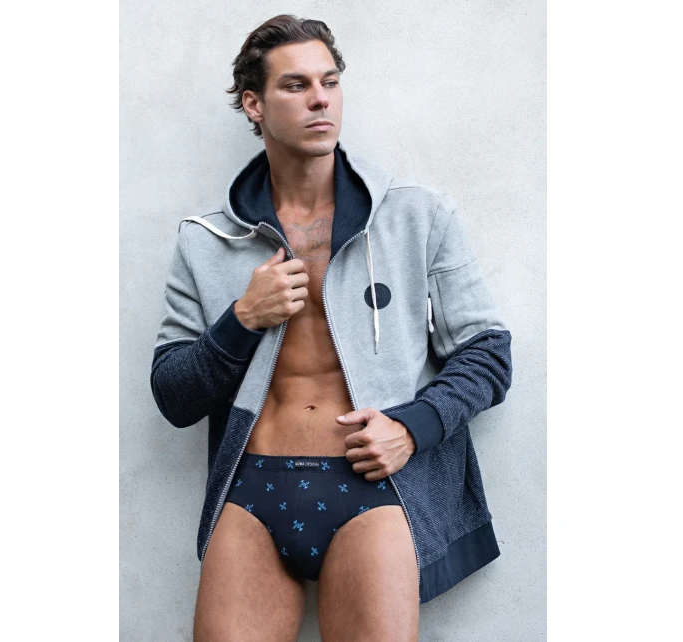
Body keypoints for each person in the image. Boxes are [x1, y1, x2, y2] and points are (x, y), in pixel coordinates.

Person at [150, 13, 513, 641]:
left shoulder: (416, 216)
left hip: (372, 489)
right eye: (295, 85)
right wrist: (243, 319)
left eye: (330, 81)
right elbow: (173, 395)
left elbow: (488, 353)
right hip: (253, 490)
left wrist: (412, 426)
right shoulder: (206, 240)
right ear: (254, 104)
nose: (320, 99)